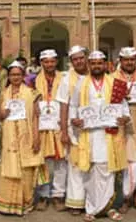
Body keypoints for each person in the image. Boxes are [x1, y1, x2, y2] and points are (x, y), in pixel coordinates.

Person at [70, 51, 130, 222]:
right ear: (89, 65)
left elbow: (123, 106)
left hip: (109, 134)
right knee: (90, 172)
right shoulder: (81, 84)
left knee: (108, 170)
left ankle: (109, 208)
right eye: (93, 63)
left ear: (105, 64)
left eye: (99, 63)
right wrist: (74, 119)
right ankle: (91, 208)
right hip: (89, 135)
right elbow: (74, 105)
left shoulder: (115, 83)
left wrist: (125, 117)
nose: (96, 66)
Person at [0, 61, 43, 215]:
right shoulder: (4, 94)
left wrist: (36, 137)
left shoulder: (32, 93)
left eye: (18, 74)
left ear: (23, 76)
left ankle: (25, 203)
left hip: (26, 135)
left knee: (26, 169)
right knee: (9, 167)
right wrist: (2, 114)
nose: (15, 77)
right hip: (9, 138)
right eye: (12, 75)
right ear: (8, 76)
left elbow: (36, 117)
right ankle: (6, 205)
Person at [113, 47, 136, 214]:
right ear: (120, 60)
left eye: (132, 59)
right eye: (126, 59)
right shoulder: (112, 78)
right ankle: (127, 198)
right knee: (128, 164)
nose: (129, 62)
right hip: (122, 125)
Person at [55, 45, 89, 216]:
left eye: (81, 58)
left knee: (92, 163)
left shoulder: (95, 75)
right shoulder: (66, 79)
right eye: (75, 59)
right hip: (73, 126)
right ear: (71, 62)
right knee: (75, 164)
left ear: (86, 58)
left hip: (93, 126)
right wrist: (63, 131)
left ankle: (91, 202)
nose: (79, 61)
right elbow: (63, 106)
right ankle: (76, 202)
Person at [34, 49, 68, 211]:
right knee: (43, 162)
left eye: (52, 61)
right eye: (46, 61)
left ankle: (58, 195)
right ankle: (43, 195)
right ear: (41, 63)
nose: (49, 64)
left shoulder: (64, 78)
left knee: (61, 162)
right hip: (41, 126)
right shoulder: (33, 80)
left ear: (57, 62)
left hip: (59, 125)